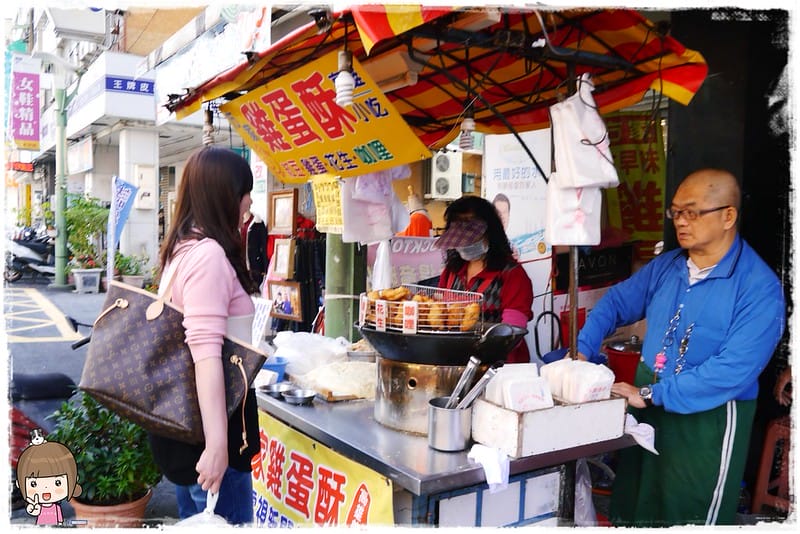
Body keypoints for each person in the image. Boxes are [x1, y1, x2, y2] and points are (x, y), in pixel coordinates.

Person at [574, 168, 785, 526]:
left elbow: (732, 370)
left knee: (688, 511)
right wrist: (581, 352)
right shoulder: (668, 266)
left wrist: (652, 392)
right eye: (675, 212)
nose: (680, 222)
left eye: (692, 212)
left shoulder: (758, 287)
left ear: (728, 216)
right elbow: (615, 304)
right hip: (648, 405)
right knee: (638, 503)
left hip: (707, 421)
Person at [147, 146, 261, 525]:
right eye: (244, 190)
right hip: (212, 434)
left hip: (191, 427)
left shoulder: (182, 250)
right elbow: (206, 354)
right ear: (225, 194)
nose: (248, 201)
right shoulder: (208, 255)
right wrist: (217, 446)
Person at [434, 195, 533, 363]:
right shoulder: (451, 272)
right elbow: (440, 317)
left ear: (491, 233)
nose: (465, 244)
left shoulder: (513, 276)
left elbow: (511, 335)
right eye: (460, 238)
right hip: (455, 364)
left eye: (471, 238)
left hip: (499, 369)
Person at [241, 208, 267, 288]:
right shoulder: (234, 223)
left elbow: (264, 247)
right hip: (239, 267)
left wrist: (265, 269)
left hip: (255, 267)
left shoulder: (258, 223)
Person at [492, 193, 519, 260]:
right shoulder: (485, 242)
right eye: (498, 212)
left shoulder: (512, 246)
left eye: (504, 212)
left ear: (509, 215)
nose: (502, 216)